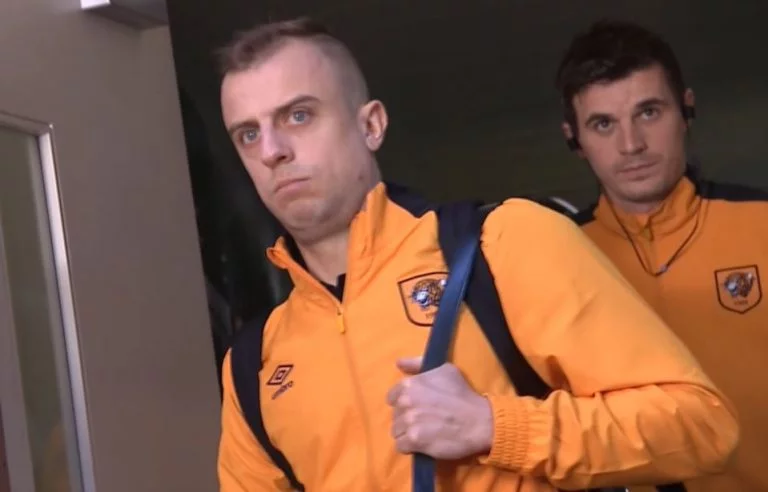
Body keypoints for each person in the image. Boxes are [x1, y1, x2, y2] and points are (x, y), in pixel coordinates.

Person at [215, 17, 738, 492]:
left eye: (298, 115)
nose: (272, 151)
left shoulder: (504, 243)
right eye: (248, 134)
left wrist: (495, 427)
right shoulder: (253, 362)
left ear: (371, 126)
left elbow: (701, 423)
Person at [556, 19, 767, 492]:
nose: (631, 145)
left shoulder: (761, 222)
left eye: (649, 112)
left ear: (686, 109)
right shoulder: (563, 255)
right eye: (603, 124)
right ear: (574, 139)